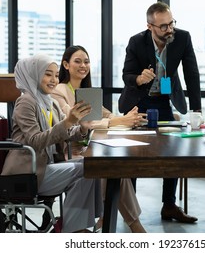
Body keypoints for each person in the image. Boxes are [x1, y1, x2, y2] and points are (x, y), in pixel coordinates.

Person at [118, 1, 201, 223]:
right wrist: (138, 78)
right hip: (139, 102)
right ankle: (130, 207)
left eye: (171, 23)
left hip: (163, 101)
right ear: (150, 26)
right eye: (163, 26)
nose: (169, 29)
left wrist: (197, 110)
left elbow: (192, 74)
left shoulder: (182, 38)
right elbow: (126, 74)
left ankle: (169, 205)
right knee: (133, 154)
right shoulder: (137, 41)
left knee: (172, 152)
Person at [1, 54, 103, 233]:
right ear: (33, 74)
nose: (54, 80)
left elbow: (65, 132)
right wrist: (69, 121)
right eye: (48, 74)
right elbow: (35, 141)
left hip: (46, 166)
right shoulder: (26, 102)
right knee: (86, 169)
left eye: (56, 75)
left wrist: (82, 128)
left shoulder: (50, 102)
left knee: (92, 166)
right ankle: (72, 230)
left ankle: (74, 227)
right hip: (27, 172)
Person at [51, 45, 146, 233]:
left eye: (86, 61)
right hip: (72, 153)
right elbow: (72, 122)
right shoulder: (59, 91)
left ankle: (108, 218)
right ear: (66, 65)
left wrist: (128, 118)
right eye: (77, 61)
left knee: (117, 168)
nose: (83, 65)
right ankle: (132, 225)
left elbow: (106, 115)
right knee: (109, 168)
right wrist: (118, 120)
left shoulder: (87, 92)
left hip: (90, 148)